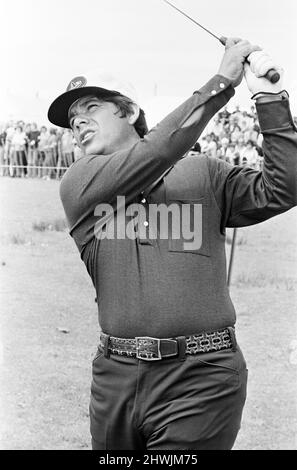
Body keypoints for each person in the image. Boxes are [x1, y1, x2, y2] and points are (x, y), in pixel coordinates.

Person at [47, 38, 297, 450]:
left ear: (129, 111)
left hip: (203, 376)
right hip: (115, 378)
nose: (78, 122)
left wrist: (269, 98)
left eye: (91, 108)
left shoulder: (205, 173)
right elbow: (157, 150)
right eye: (73, 118)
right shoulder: (79, 183)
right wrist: (222, 82)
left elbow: (283, 186)